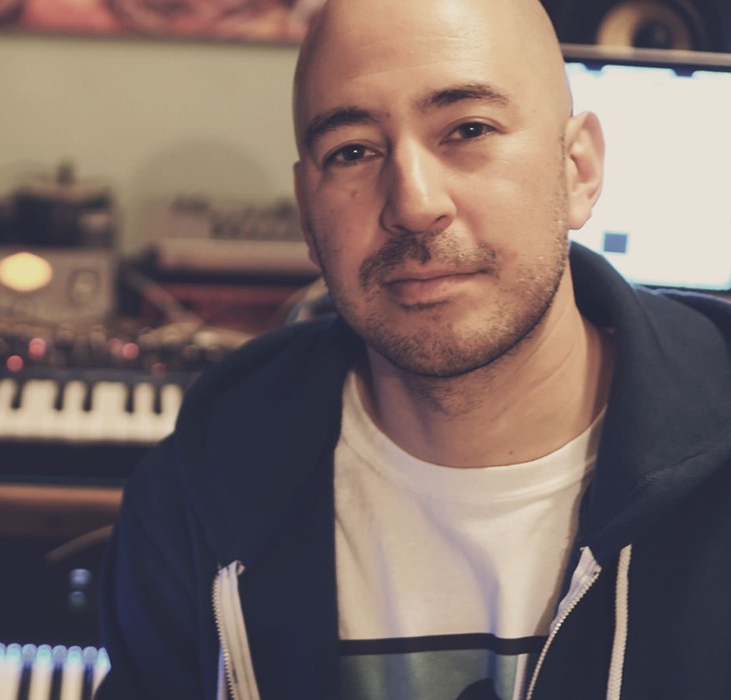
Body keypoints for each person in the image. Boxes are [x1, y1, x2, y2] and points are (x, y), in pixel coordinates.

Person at [96, 0, 731, 697]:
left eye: (468, 129)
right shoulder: (195, 492)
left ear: (578, 169)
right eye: (353, 152)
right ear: (308, 213)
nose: (414, 204)